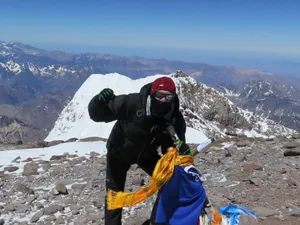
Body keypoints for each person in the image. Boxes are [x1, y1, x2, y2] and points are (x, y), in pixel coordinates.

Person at [88, 76, 191, 225]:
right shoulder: (132, 103)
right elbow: (97, 115)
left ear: (174, 97)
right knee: (115, 195)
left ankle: (157, 221)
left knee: (169, 179)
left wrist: (180, 150)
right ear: (152, 94)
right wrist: (98, 102)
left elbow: (171, 146)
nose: (163, 100)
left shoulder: (174, 118)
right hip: (119, 151)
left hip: (146, 154)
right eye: (159, 95)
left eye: (168, 96)